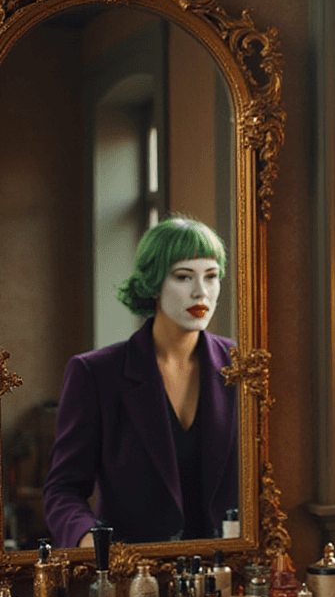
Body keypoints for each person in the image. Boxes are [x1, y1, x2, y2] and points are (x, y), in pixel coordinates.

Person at [43, 215, 237, 546]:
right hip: (132, 575)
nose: (200, 292)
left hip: (228, 572)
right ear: (154, 282)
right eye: (183, 277)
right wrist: (89, 540)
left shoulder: (240, 365)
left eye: (211, 276)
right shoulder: (95, 374)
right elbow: (63, 490)